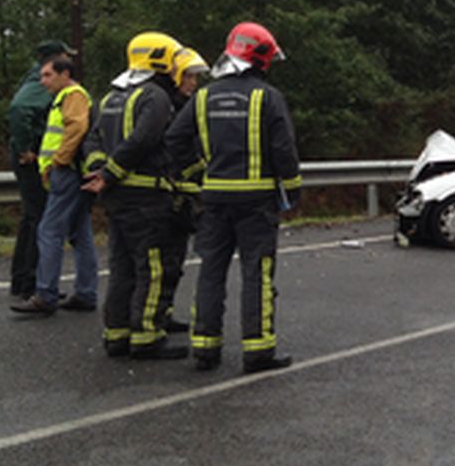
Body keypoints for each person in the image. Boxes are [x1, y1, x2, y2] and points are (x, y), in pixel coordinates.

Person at [165, 22, 301, 374]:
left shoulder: (203, 96)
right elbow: (284, 150)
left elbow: (175, 140)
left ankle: (205, 349)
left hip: (213, 201)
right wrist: (293, 187)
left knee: (211, 272)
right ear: (261, 60)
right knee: (257, 273)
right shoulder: (267, 97)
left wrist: (198, 173)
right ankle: (258, 350)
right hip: (257, 203)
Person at [82, 31, 188, 359]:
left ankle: (117, 334)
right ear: (160, 60)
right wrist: (112, 172)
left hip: (116, 198)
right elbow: (145, 139)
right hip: (146, 198)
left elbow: (91, 142)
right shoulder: (155, 96)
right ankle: (146, 337)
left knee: (122, 266)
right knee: (151, 268)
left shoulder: (110, 97)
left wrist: (101, 172)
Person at [11, 55, 99, 315]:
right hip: (72, 172)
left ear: (65, 74)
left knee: (48, 231)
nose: (43, 81)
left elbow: (77, 126)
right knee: (80, 233)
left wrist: (59, 160)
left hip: (68, 173)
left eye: (48, 75)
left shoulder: (72, 95)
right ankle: (85, 292)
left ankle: (45, 294)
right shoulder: (67, 97)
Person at [5, 39, 73, 298]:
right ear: (55, 58)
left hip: (29, 156)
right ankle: (33, 283)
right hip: (30, 159)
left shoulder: (34, 78)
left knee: (31, 217)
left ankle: (21, 280)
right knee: (41, 219)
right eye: (66, 56)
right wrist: (25, 149)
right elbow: (19, 109)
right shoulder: (40, 82)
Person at [158, 46, 210, 333]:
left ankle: (163, 311)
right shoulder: (165, 106)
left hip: (183, 195)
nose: (193, 83)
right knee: (166, 259)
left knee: (175, 259)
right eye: (188, 77)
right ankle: (154, 316)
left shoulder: (187, 106)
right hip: (168, 195)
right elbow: (172, 150)